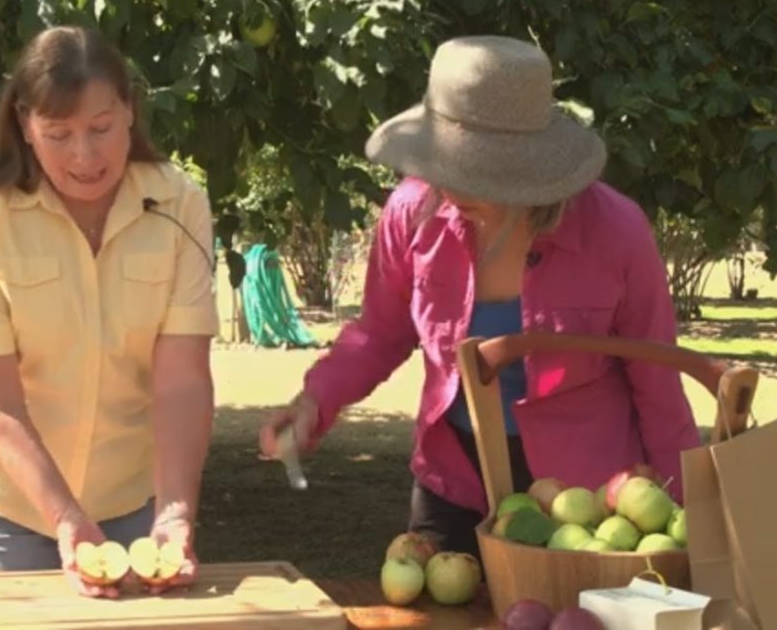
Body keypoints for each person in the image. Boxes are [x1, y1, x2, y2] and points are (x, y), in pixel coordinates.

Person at [259, 35, 702, 560]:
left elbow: (657, 381)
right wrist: (315, 401)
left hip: (584, 502)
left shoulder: (617, 232)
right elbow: (378, 333)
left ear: (527, 167)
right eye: (441, 166)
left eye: (469, 170)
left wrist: (695, 521)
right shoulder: (410, 213)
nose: (447, 188)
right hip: (454, 480)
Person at [0, 25, 218, 598]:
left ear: (131, 112)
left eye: (101, 128)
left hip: (134, 501)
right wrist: (66, 518)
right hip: (3, 510)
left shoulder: (180, 201)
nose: (85, 156)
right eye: (59, 133)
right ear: (24, 125)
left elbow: (183, 379)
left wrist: (175, 512)